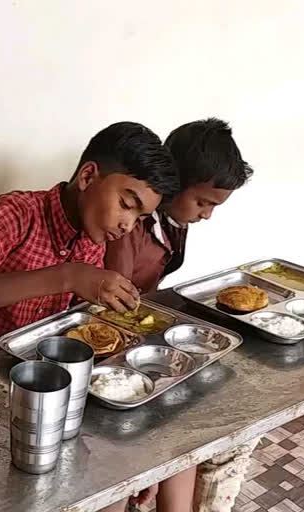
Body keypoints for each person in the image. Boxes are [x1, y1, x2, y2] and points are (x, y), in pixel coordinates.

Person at [0, 122, 200, 510]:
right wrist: (68, 276)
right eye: (127, 204)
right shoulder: (17, 213)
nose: (129, 224)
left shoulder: (94, 236)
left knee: (174, 448)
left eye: (141, 216)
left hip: (61, 394)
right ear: (88, 175)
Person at [106, 118, 255, 512]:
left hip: (144, 329)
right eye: (203, 202)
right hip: (115, 343)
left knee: (190, 425)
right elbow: (114, 306)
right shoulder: (130, 228)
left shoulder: (172, 222)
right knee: (174, 420)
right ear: (175, 184)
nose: (206, 215)